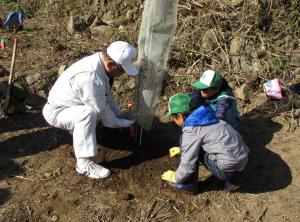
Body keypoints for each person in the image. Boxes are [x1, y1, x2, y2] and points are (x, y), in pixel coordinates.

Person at [42, 41, 139, 179]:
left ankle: (80, 131)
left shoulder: (101, 64)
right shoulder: (90, 77)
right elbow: (103, 114)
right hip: (58, 112)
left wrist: (120, 115)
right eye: (122, 70)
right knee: (88, 114)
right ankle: (83, 164)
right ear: (111, 64)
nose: (123, 73)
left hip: (73, 105)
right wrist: (125, 123)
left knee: (92, 112)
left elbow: (107, 96)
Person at [161, 93, 249, 194]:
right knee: (194, 146)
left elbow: (188, 163)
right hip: (243, 159)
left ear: (180, 116)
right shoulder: (208, 115)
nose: (174, 120)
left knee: (187, 145)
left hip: (229, 170)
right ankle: (234, 181)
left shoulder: (191, 129)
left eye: (174, 117)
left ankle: (188, 185)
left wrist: (176, 178)